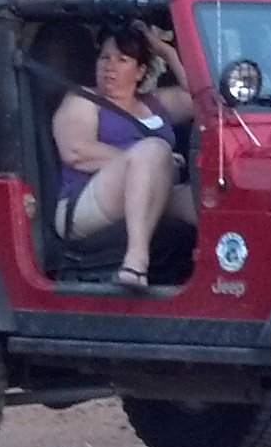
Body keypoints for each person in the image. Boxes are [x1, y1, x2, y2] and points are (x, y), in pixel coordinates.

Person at [52, 26, 197, 287]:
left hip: (149, 190)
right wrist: (151, 162)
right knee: (153, 149)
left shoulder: (155, 103)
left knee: (204, 202)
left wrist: (166, 51)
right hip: (83, 203)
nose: (110, 66)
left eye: (122, 60)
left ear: (140, 71)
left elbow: (202, 99)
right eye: (105, 58)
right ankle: (136, 261)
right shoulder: (83, 99)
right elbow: (76, 151)